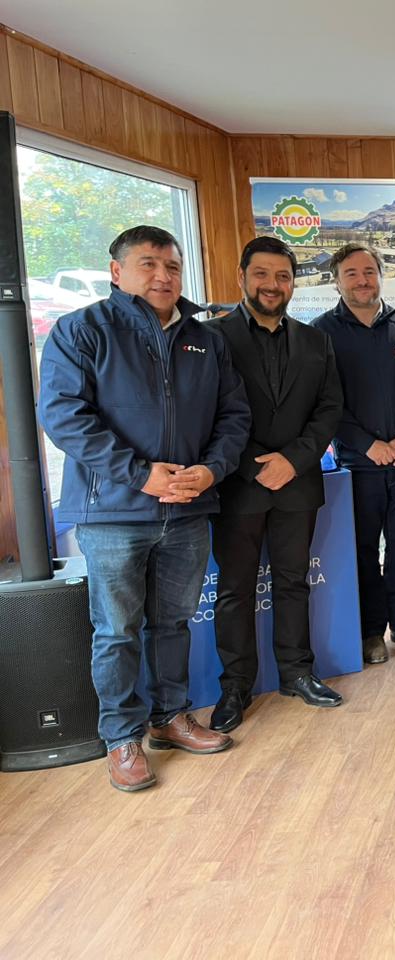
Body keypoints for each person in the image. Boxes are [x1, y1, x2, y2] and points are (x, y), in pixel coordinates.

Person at [39, 225, 251, 792]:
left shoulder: (205, 338)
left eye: (173, 266)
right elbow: (63, 416)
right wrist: (140, 476)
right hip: (113, 512)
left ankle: (170, 718)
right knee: (116, 630)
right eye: (148, 264)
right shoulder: (81, 331)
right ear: (117, 272)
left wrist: (210, 470)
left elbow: (234, 416)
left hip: (188, 508)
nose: (163, 276)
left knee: (173, 623)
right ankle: (122, 739)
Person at [205, 237, 345, 732]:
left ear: (293, 282)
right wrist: (252, 465)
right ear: (242, 275)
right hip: (238, 484)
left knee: (292, 582)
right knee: (235, 590)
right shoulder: (212, 337)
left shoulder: (315, 341)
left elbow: (330, 409)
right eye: (262, 274)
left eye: (283, 276)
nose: (272, 285)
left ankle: (297, 674)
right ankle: (235, 688)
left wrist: (293, 459)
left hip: (298, 482)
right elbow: (207, 413)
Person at [313, 244, 395, 666]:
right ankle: (368, 631)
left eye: (369, 272)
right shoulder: (321, 332)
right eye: (352, 273)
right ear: (337, 280)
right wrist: (366, 444)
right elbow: (324, 404)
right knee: (363, 549)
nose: (362, 280)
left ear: (381, 275)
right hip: (358, 464)